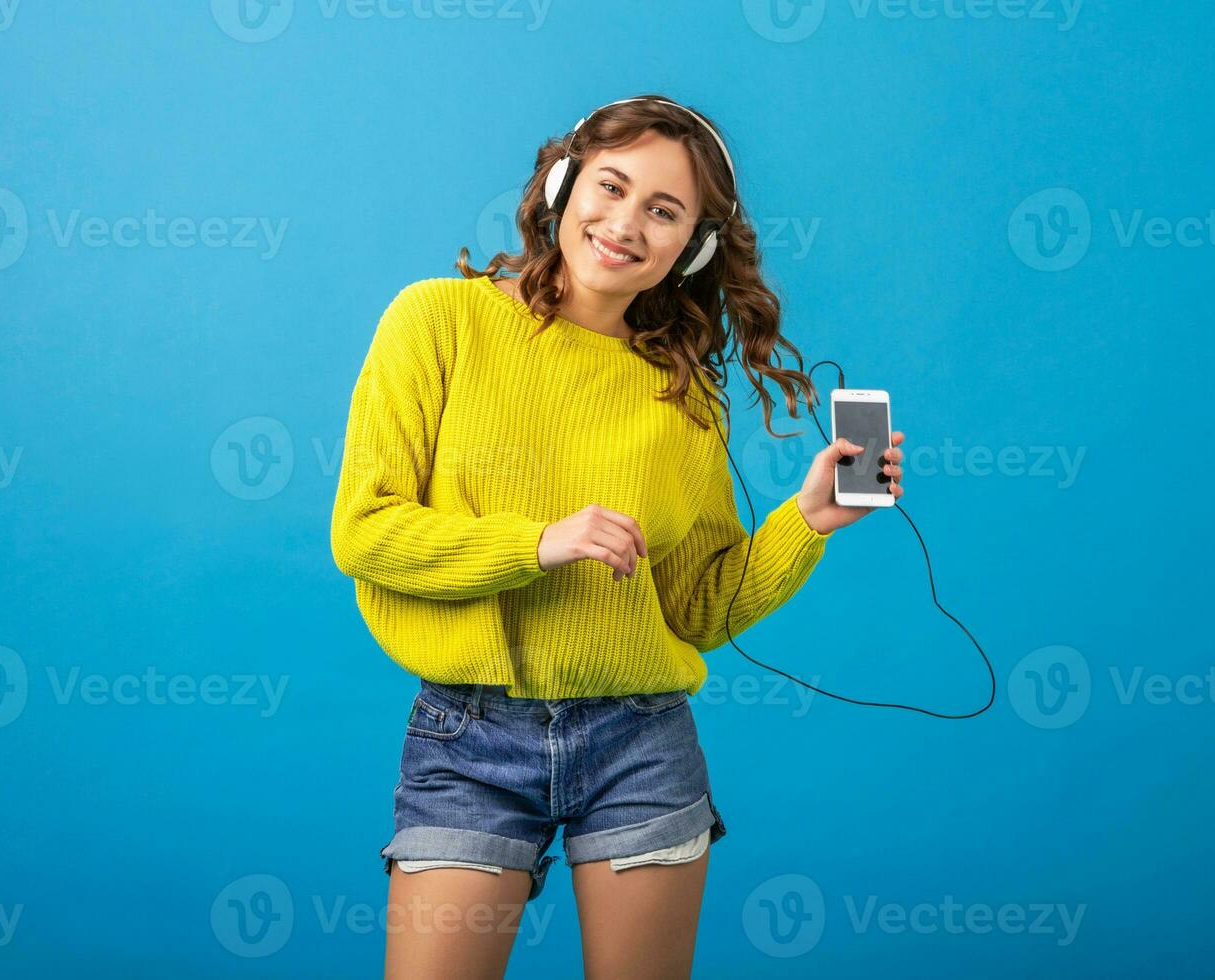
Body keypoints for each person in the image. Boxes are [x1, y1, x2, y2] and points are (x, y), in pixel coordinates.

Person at [330, 93, 906, 979]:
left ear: (694, 247)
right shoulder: (437, 322)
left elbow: (699, 607)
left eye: (663, 211)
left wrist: (807, 521)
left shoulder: (683, 392)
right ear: (563, 185)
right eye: (611, 186)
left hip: (640, 739)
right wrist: (538, 544)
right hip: (469, 736)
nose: (625, 224)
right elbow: (367, 533)